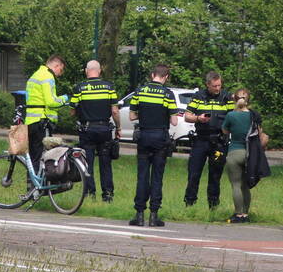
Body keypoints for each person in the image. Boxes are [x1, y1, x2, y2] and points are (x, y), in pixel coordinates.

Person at [128, 63, 177, 227]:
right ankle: (153, 216)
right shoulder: (168, 94)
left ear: (152, 75)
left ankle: (139, 215)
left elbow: (131, 116)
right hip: (160, 138)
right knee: (157, 177)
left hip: (143, 136)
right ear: (166, 77)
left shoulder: (140, 91)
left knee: (142, 176)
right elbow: (174, 121)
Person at [69, 60, 121, 202]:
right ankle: (108, 195)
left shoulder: (79, 88)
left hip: (87, 130)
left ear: (87, 71)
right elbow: (115, 111)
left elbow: (72, 111)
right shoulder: (109, 87)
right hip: (104, 130)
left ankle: (90, 194)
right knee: (106, 164)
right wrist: (118, 128)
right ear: (100, 71)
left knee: (87, 164)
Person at [183, 70, 232, 208]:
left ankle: (213, 206)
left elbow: (235, 115)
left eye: (219, 85)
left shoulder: (226, 97)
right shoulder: (198, 96)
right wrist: (198, 118)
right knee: (194, 174)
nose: (217, 89)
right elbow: (187, 116)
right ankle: (189, 203)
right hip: (201, 140)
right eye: (214, 86)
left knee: (215, 176)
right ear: (207, 84)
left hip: (219, 142)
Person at [24, 55, 68, 171]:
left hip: (30, 121)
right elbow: (51, 102)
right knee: (43, 157)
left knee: (33, 157)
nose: (60, 73)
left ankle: (32, 186)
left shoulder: (35, 75)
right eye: (61, 69)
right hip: (42, 122)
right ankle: (40, 187)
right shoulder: (48, 76)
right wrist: (65, 99)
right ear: (56, 65)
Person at [220, 88, 258, 223]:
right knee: (245, 186)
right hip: (249, 154)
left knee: (236, 184)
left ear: (234, 99)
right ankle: (246, 215)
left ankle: (238, 214)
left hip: (234, 152)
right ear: (248, 100)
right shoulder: (253, 116)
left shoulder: (231, 115)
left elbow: (224, 130)